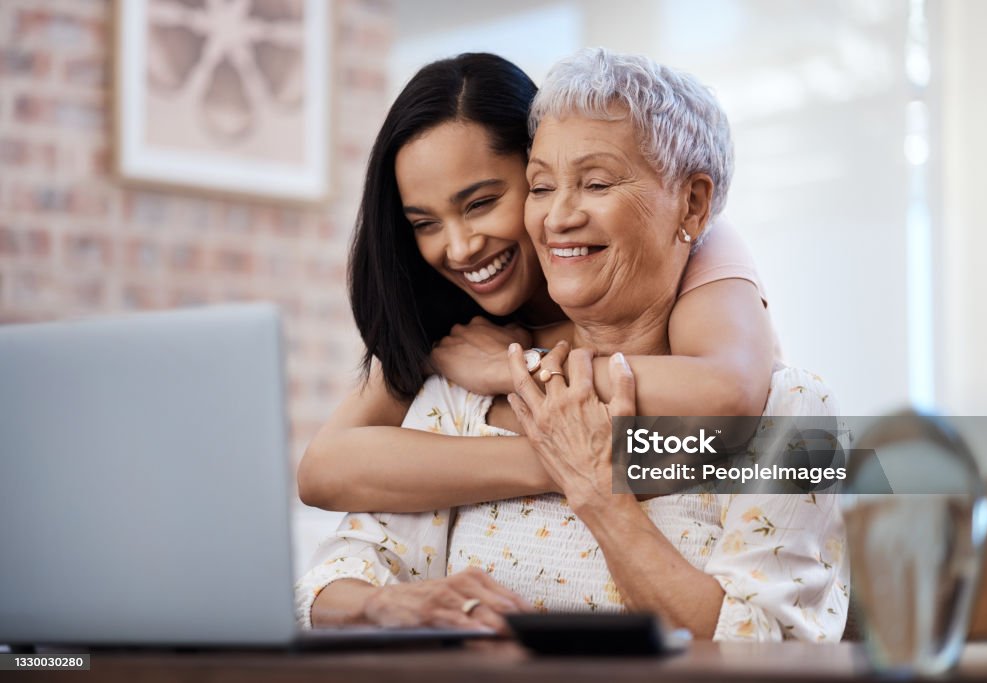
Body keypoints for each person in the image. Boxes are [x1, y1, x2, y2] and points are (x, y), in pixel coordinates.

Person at [295, 49, 848, 641]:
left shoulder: (786, 408)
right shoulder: (458, 381)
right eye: (542, 186)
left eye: (597, 183)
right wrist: (389, 605)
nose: (557, 216)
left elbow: (766, 645)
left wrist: (594, 480)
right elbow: (334, 561)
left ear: (691, 203)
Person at [297, 52, 774, 515]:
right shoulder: (448, 319)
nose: (460, 248)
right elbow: (323, 470)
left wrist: (525, 368)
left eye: (480, 203)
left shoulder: (690, 239)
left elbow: (731, 398)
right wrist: (564, 458)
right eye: (425, 223)